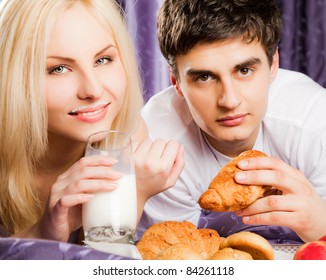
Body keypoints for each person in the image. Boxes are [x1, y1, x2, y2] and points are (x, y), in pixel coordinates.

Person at [139, 0, 326, 244]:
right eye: (204, 77)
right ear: (176, 82)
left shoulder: (313, 123)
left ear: (274, 64)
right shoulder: (158, 144)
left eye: (245, 70)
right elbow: (178, 262)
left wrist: (321, 226)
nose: (229, 100)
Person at [0, 0, 184, 244]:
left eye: (103, 60)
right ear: (15, 79)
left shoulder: (128, 135)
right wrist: (42, 233)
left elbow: (104, 265)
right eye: (59, 69)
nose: (94, 90)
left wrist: (135, 193)